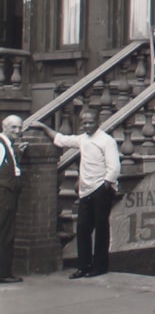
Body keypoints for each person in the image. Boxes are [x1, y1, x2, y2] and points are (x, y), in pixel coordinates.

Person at [30, 112, 121, 278]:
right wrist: (43, 127)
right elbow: (62, 139)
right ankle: (83, 266)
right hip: (86, 191)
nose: (87, 126)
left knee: (101, 229)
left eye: (90, 122)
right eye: (84, 123)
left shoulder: (107, 141)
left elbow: (114, 167)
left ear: (97, 122)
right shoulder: (82, 139)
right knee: (82, 228)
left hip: (101, 190)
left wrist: (105, 185)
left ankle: (100, 266)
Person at [0, 115, 25, 283]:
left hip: (8, 194)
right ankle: (3, 273)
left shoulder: (8, 146)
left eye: (19, 127)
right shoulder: (1, 146)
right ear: (4, 127)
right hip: (4, 194)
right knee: (5, 233)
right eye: (13, 127)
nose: (17, 131)